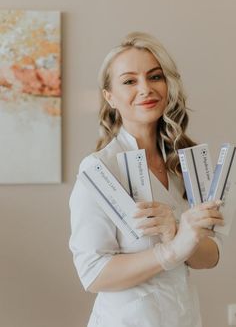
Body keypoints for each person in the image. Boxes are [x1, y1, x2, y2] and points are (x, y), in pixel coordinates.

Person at [69, 32, 224, 327]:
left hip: (185, 317)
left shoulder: (184, 162)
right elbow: (93, 274)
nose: (146, 89)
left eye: (155, 77)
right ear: (110, 97)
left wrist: (178, 231)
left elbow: (211, 256)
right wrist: (170, 251)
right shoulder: (99, 170)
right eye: (129, 81)